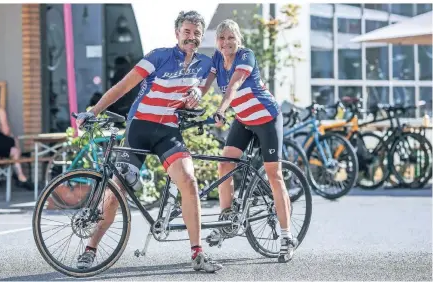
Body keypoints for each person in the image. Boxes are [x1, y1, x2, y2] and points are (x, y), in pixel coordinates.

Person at [75, 10, 223, 273]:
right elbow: (123, 86)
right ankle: (91, 249)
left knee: (188, 181)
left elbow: (209, 80)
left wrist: (198, 93)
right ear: (177, 33)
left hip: (168, 131)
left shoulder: (204, 63)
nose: (191, 37)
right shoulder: (158, 56)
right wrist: (94, 111)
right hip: (139, 128)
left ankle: (197, 253)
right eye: (186, 32)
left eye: (196, 33)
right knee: (116, 190)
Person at [200, 19, 297, 263]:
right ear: (217, 42)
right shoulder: (216, 59)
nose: (226, 43)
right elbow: (204, 84)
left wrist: (222, 108)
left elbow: (234, 85)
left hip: (266, 118)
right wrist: (189, 101)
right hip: (244, 119)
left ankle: (287, 237)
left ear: (238, 39)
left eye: (231, 38)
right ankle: (228, 220)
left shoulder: (246, 56)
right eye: (222, 38)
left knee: (273, 174)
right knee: (225, 165)